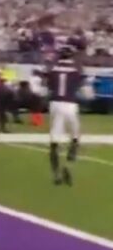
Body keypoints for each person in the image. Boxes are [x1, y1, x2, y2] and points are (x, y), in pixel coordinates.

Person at [44, 44, 84, 186]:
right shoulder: (76, 71)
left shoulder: (53, 71)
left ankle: (56, 174)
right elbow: (79, 87)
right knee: (75, 138)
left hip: (55, 104)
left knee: (54, 142)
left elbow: (48, 86)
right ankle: (68, 164)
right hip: (70, 104)